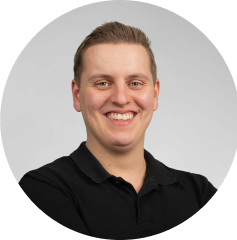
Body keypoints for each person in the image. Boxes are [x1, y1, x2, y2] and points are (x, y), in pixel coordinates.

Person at [19, 21, 217, 239]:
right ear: (77, 95)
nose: (121, 99)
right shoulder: (44, 189)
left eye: (135, 83)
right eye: (103, 83)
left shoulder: (200, 192)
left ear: (155, 95)